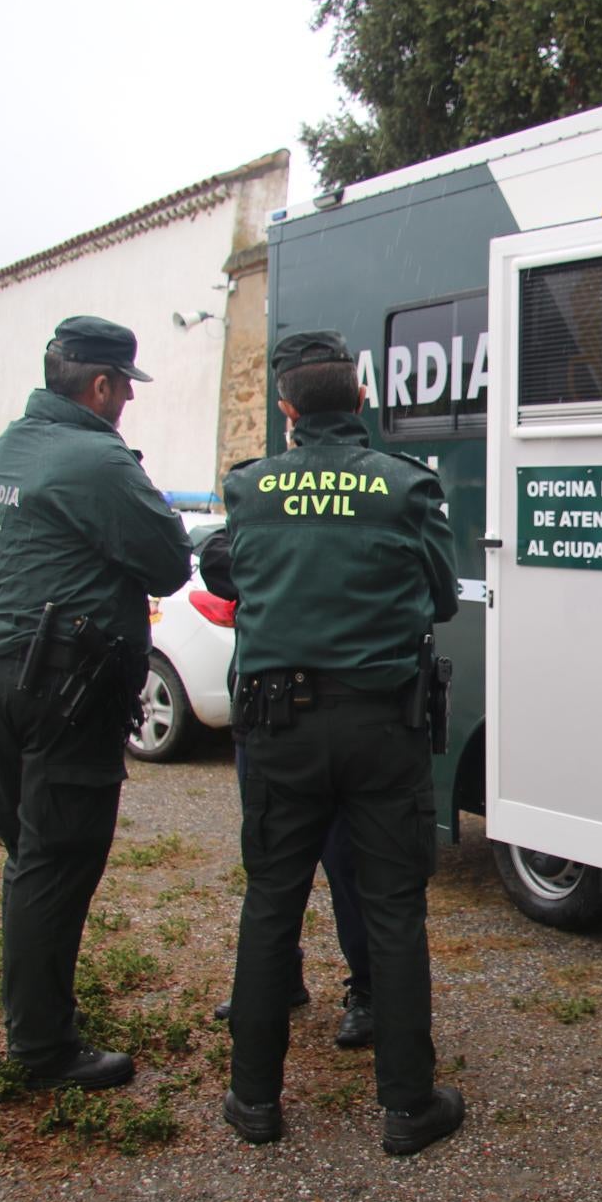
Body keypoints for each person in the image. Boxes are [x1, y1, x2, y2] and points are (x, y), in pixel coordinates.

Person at [219, 330, 462, 1153]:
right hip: (379, 726)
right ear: (361, 400)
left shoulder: (249, 490)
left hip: (277, 725)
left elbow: (237, 577)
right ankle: (406, 1106)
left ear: (287, 410)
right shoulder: (405, 487)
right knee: (393, 908)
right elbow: (443, 598)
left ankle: (253, 1102)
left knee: (270, 905)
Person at [0, 316, 192, 1090]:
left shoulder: (8, 448)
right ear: (101, 385)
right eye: (126, 384)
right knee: (55, 863)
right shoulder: (93, 458)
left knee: (32, 858)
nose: (128, 397)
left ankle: (40, 1019)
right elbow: (167, 560)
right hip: (63, 689)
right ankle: (42, 1052)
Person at [199, 525, 373, 1048]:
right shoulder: (263, 493)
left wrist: (282, 564)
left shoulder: (357, 497)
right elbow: (216, 560)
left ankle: (367, 990)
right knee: (270, 862)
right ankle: (278, 977)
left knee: (346, 861)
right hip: (262, 711)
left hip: (336, 709)